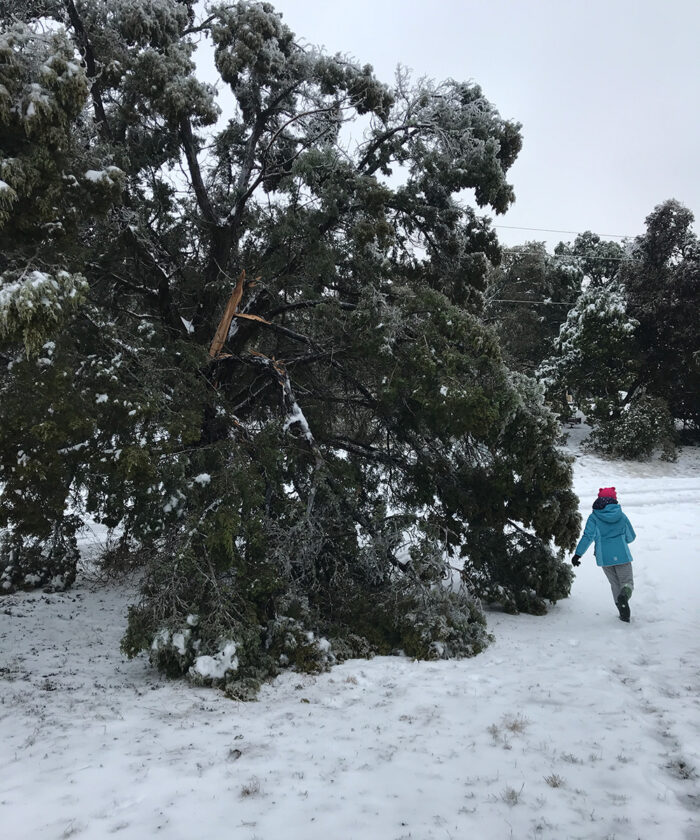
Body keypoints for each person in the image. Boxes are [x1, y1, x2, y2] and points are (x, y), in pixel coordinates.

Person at [571, 487, 636, 622]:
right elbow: (631, 537)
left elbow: (587, 537)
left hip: (604, 558)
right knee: (627, 583)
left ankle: (622, 612)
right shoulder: (621, 516)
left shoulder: (594, 517)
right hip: (622, 555)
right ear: (614, 500)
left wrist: (578, 554)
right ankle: (625, 596)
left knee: (615, 584)